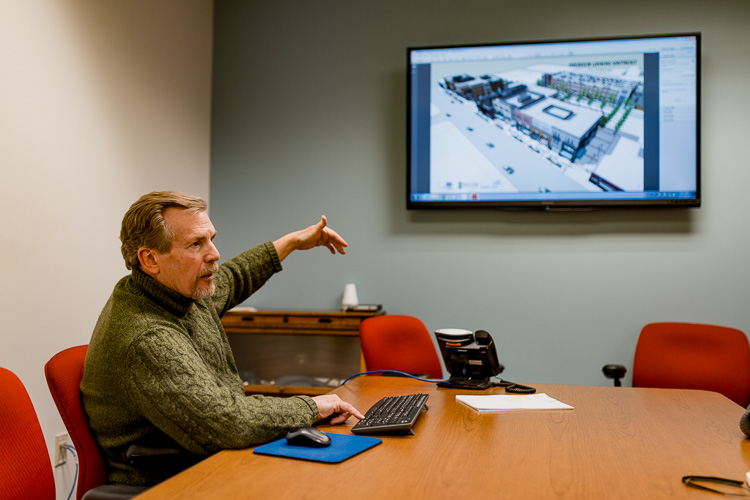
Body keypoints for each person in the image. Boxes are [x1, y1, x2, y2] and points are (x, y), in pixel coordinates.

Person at [81, 191, 364, 486]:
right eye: (196, 243)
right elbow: (228, 423)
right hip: (169, 481)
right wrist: (312, 407)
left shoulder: (177, 291)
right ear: (150, 258)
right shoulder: (148, 338)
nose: (214, 253)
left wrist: (291, 242)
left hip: (212, 458)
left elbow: (234, 276)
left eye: (211, 238)